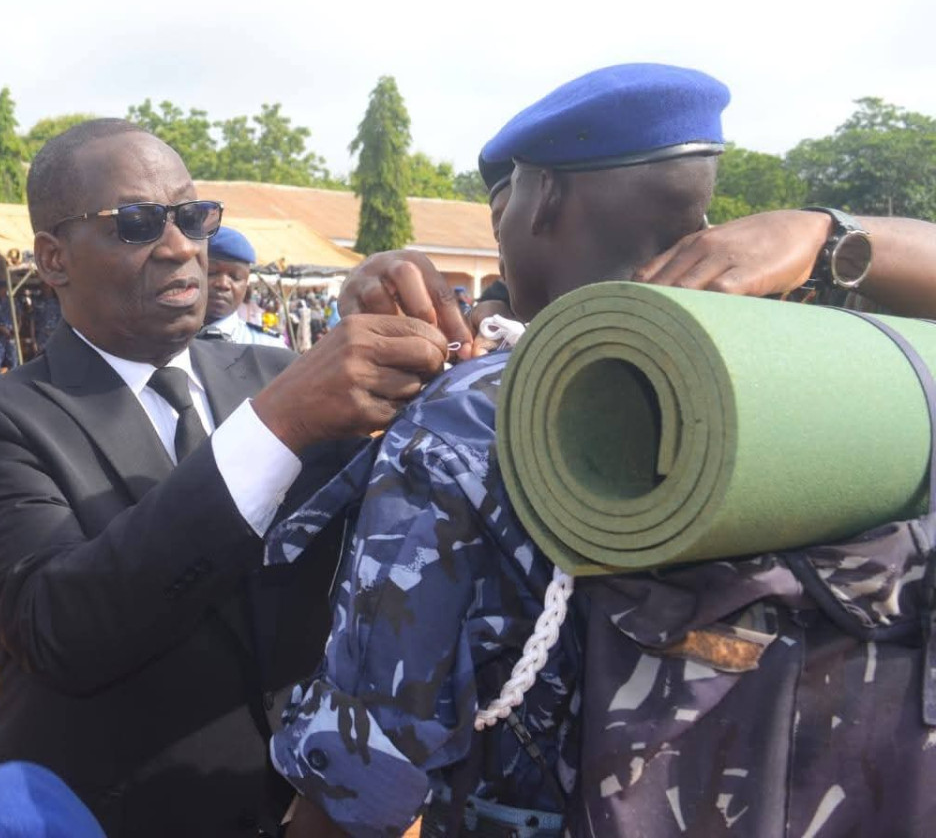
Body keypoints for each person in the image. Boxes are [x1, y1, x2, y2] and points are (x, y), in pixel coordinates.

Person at [273, 63, 936, 837]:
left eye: (503, 199)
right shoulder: (832, 374)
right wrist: (828, 231)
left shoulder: (468, 419)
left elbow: (360, 775)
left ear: (543, 195)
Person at [0, 119, 447, 837]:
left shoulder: (283, 376)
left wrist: (418, 334)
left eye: (193, 217)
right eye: (135, 224)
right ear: (54, 258)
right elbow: (61, 628)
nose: (179, 247)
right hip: (99, 816)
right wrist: (277, 427)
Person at [200, 226, 286, 346]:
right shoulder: (166, 341)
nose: (223, 284)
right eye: (212, 272)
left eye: (235, 277)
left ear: (246, 284)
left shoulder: (268, 346)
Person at [27, 281, 62, 355]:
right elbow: (32, 322)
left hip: (56, 337)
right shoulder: (37, 303)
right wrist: (33, 341)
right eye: (43, 286)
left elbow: (63, 322)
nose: (45, 289)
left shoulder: (59, 303)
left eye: (47, 286)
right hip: (41, 338)